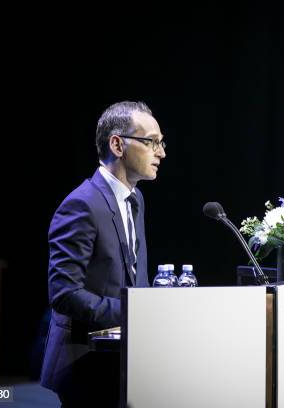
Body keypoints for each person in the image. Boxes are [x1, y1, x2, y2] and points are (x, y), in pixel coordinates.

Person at [40, 101, 166, 407]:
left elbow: (131, 277)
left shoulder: (136, 199)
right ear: (117, 144)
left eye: (161, 143)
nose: (161, 153)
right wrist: (134, 311)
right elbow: (64, 293)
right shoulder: (81, 205)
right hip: (86, 361)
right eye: (151, 142)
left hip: (123, 360)